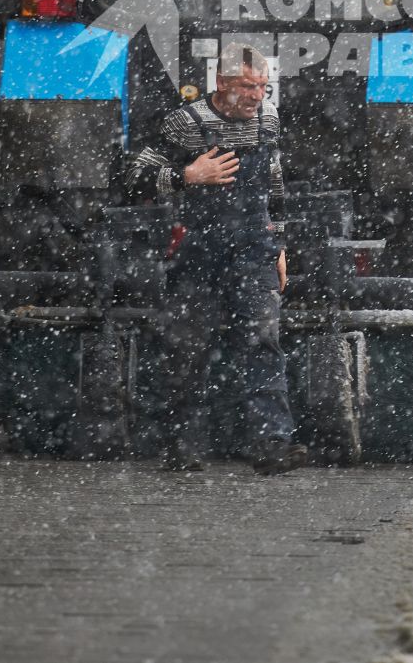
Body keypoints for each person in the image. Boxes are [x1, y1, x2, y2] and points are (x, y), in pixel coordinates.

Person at [126, 43, 307, 475]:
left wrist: (279, 246)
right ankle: (182, 444)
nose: (256, 96)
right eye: (246, 86)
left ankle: (271, 445)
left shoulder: (269, 118)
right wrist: (187, 176)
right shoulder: (185, 123)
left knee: (263, 344)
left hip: (253, 249)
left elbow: (274, 186)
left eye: (263, 86)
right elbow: (132, 179)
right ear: (221, 83)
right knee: (188, 349)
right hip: (197, 251)